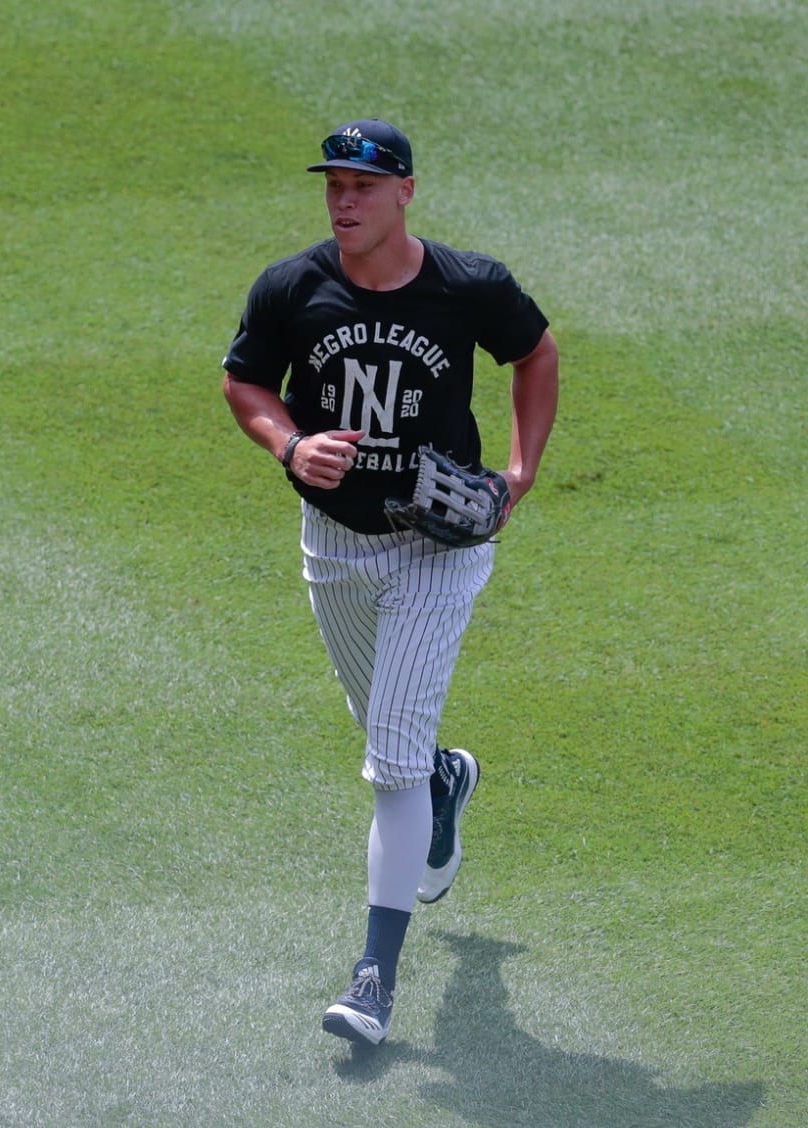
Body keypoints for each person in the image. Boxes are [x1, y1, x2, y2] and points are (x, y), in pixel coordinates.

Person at [222, 118, 559, 1047]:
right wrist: (290, 441)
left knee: (389, 765)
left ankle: (374, 976)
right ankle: (449, 778)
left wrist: (520, 473)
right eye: (334, 182)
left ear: (405, 191)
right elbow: (244, 381)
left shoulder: (467, 286)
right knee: (394, 738)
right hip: (334, 542)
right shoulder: (293, 286)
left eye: (363, 185)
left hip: (438, 547)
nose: (344, 199)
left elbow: (536, 353)